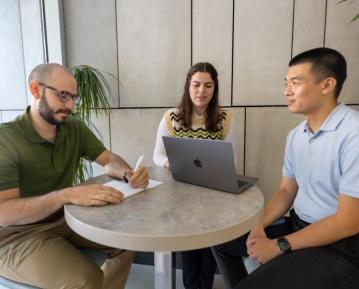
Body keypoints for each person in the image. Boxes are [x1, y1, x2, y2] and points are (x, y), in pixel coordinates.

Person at [212, 47, 359, 289]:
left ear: (327, 85)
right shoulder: (296, 135)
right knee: (224, 241)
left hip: (340, 245)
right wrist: (258, 226)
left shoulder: (352, 133)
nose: (286, 91)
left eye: (295, 83)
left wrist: (279, 245)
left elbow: (348, 222)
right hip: (299, 224)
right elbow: (285, 191)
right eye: (286, 83)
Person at [0, 63, 149, 289]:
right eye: (62, 95)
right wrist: (64, 195)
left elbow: (108, 160)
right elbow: (4, 213)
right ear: (35, 90)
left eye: (73, 97)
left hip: (66, 220)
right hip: (16, 237)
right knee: (86, 280)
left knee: (126, 241)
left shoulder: (74, 128)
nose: (70, 105)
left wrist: (127, 173)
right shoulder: (6, 140)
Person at [153, 62, 238, 289]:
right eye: (196, 85)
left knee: (209, 252)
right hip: (180, 195)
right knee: (189, 252)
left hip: (213, 196)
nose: (202, 91)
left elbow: (231, 160)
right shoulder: (171, 117)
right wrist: (169, 161)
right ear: (188, 87)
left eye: (208, 86)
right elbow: (156, 155)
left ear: (215, 88)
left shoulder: (224, 118)